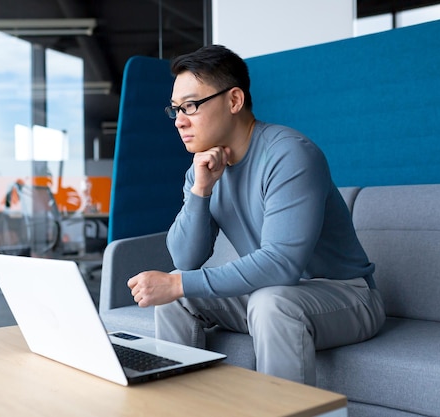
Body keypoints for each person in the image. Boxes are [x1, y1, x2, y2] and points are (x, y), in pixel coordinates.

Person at [126, 44, 386, 385]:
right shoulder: (203, 167)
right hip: (272, 292)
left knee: (269, 302)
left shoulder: (289, 154)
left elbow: (281, 263)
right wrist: (200, 190)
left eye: (191, 105)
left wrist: (176, 282)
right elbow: (185, 258)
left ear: (234, 101)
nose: (180, 120)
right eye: (175, 109)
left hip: (346, 296)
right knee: (177, 297)